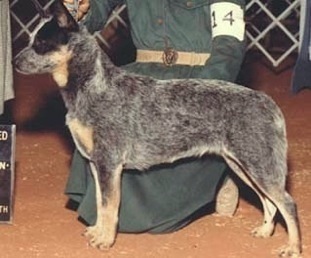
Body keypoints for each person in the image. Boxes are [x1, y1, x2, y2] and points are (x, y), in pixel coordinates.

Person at [64, 0, 246, 233]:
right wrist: (78, 11)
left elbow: (230, 45)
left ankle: (220, 171)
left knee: (155, 217)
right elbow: (93, 13)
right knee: (99, 127)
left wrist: (204, 93)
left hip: (197, 80)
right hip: (143, 79)